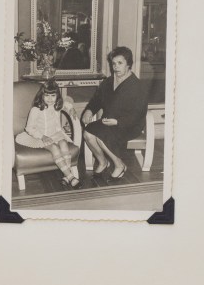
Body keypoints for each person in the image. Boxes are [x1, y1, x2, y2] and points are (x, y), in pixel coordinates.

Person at [82, 46, 148, 181]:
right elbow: (96, 100)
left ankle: (119, 165)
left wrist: (118, 122)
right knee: (87, 133)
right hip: (108, 121)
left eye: (120, 63)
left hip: (129, 125)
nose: (116, 67)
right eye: (113, 63)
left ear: (128, 64)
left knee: (101, 135)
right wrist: (89, 110)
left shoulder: (137, 86)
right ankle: (103, 162)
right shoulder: (107, 82)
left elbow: (138, 113)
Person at [15, 82, 80, 188]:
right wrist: (42, 137)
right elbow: (29, 128)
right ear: (42, 95)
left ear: (57, 96)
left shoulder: (57, 105)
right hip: (39, 136)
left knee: (64, 143)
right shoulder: (36, 109)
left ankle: (66, 176)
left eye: (53, 95)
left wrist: (71, 108)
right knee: (54, 148)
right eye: (47, 95)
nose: (50, 99)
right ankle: (71, 177)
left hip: (55, 134)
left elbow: (66, 103)